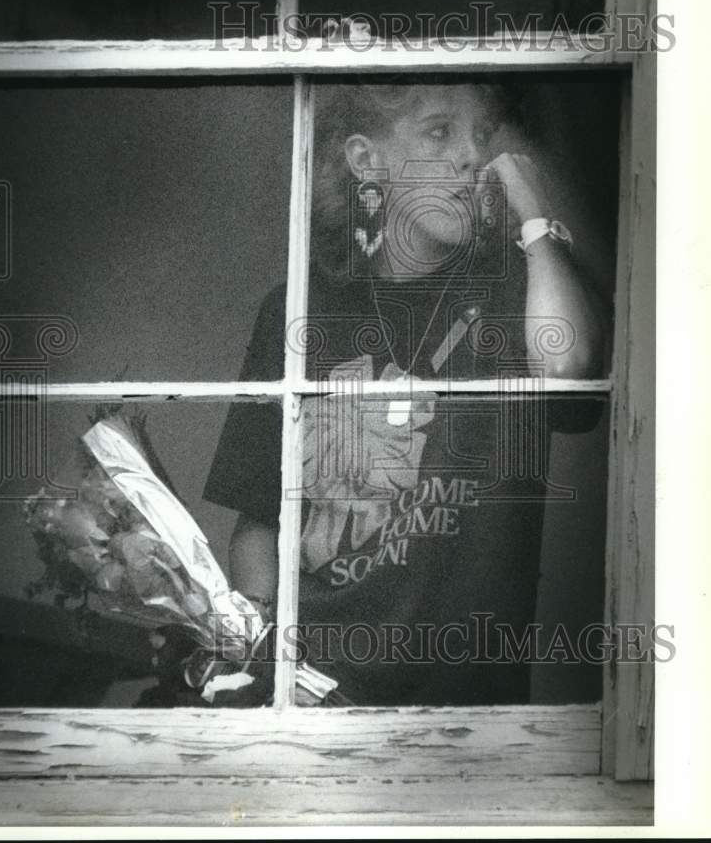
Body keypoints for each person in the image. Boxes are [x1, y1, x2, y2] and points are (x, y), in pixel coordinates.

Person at [201, 79, 607, 706]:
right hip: (316, 685)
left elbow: (570, 361)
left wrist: (534, 218)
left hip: (465, 702)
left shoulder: (516, 290)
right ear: (368, 160)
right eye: (439, 132)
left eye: (480, 135)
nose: (472, 156)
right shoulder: (297, 308)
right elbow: (260, 520)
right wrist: (265, 664)